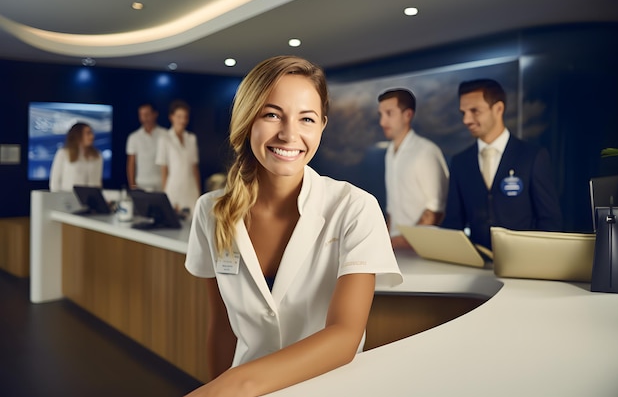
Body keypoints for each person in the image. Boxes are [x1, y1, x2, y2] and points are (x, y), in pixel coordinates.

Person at [185, 55, 402, 397]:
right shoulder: (210, 211)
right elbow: (224, 326)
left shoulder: (355, 208)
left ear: (321, 126)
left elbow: (344, 337)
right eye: (272, 114)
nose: (289, 134)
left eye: (306, 119)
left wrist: (233, 387)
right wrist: (220, 386)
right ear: (247, 120)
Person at [442, 78, 562, 250]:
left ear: (498, 109)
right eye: (463, 113)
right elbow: (453, 223)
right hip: (476, 266)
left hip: (523, 264)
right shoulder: (460, 162)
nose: (466, 120)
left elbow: (550, 221)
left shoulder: (532, 157)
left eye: (474, 111)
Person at [378, 88, 449, 249]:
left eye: (389, 113)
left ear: (408, 115)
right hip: (395, 250)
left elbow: (436, 210)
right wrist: (385, 245)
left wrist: (400, 243)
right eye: (380, 115)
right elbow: (392, 211)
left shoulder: (426, 151)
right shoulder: (389, 153)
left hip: (422, 250)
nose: (382, 122)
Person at [155, 99, 201, 213]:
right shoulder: (164, 139)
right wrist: (165, 193)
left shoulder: (191, 138)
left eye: (185, 117)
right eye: (179, 116)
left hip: (191, 189)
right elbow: (163, 169)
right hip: (173, 188)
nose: (183, 120)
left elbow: (195, 168)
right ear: (172, 117)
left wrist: (199, 192)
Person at [49, 122, 102, 192]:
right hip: (68, 199)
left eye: (91, 133)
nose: (92, 136)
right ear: (78, 135)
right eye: (88, 133)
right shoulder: (63, 153)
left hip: (90, 199)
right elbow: (54, 182)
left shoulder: (97, 156)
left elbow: (97, 182)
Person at [125, 102, 166, 191]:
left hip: (160, 184)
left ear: (155, 114)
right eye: (142, 115)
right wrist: (132, 186)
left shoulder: (165, 135)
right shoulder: (134, 137)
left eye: (147, 114)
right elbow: (131, 163)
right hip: (141, 184)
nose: (145, 118)